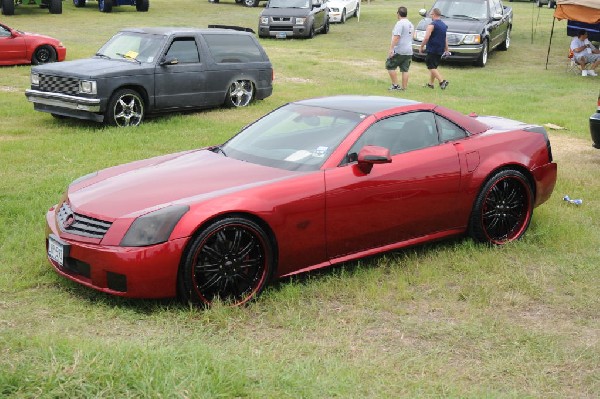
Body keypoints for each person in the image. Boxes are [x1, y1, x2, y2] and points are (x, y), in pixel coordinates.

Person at [419, 8, 449, 90]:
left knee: (430, 66)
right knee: (434, 67)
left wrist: (421, 46)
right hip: (440, 49)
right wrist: (447, 49)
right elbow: (445, 38)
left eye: (431, 14)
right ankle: (430, 84)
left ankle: (442, 81)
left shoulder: (431, 25)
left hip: (432, 48)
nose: (431, 16)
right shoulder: (444, 25)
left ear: (434, 14)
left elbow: (426, 38)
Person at [386, 6, 414, 91]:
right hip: (408, 50)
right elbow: (413, 36)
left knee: (389, 65)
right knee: (405, 69)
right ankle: (404, 88)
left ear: (398, 13)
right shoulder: (410, 24)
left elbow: (397, 37)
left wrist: (391, 49)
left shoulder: (400, 23)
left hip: (399, 49)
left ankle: (395, 85)